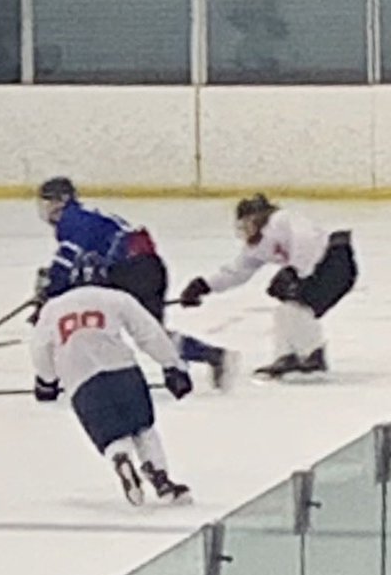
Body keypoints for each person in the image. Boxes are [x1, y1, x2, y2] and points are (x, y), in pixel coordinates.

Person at [36, 177, 238, 390]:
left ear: (61, 201)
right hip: (146, 268)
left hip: (133, 271)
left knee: (144, 331)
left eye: (48, 202)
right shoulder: (86, 216)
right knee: (151, 331)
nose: (45, 209)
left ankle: (193, 361)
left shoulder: (72, 220)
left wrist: (51, 294)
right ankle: (206, 356)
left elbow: (66, 263)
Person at [31, 283, 193, 506]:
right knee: (143, 427)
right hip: (121, 367)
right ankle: (160, 477)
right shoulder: (115, 297)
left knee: (110, 436)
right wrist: (171, 364)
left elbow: (40, 347)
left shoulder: (52, 308)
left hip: (80, 378)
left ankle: (120, 457)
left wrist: (46, 381)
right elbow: (148, 331)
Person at [178, 194, 357, 378]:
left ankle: (312, 354)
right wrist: (204, 286)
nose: (245, 229)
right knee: (286, 308)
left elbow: (305, 238)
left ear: (257, 217)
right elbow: (237, 272)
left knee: (296, 307)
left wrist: (294, 270)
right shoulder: (257, 246)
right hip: (318, 268)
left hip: (336, 262)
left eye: (248, 222)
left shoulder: (281, 220)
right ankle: (289, 355)